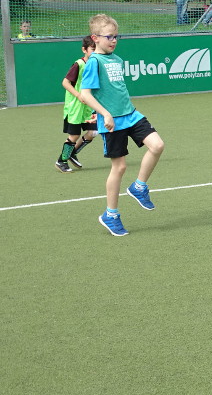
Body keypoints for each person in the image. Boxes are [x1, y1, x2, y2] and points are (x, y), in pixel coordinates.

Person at [79, 14, 165, 235]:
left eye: (116, 36)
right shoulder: (94, 63)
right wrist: (104, 114)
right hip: (112, 122)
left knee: (157, 145)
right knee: (120, 167)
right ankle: (111, 214)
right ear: (95, 38)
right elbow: (85, 94)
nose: (114, 40)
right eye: (109, 37)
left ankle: (138, 187)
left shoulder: (116, 59)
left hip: (131, 115)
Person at [55, 35, 97, 173]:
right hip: (75, 108)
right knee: (74, 136)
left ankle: (72, 152)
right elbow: (65, 83)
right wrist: (79, 95)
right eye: (92, 49)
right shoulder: (78, 65)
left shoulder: (96, 64)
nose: (95, 51)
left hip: (87, 107)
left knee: (93, 132)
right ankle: (61, 160)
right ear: (84, 49)